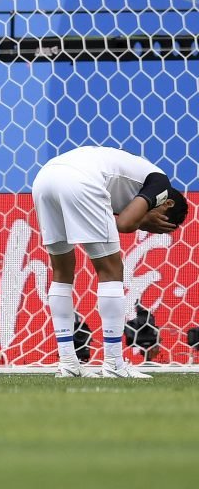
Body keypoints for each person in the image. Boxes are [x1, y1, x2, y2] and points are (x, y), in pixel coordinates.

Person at [31, 146, 189, 378]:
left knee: (62, 271)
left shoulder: (128, 185)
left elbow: (115, 219)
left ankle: (67, 363)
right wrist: (143, 220)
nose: (153, 230)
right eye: (160, 226)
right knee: (112, 270)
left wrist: (138, 219)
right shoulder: (161, 184)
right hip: (80, 180)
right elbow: (125, 223)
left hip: (44, 179)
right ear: (167, 205)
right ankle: (114, 364)